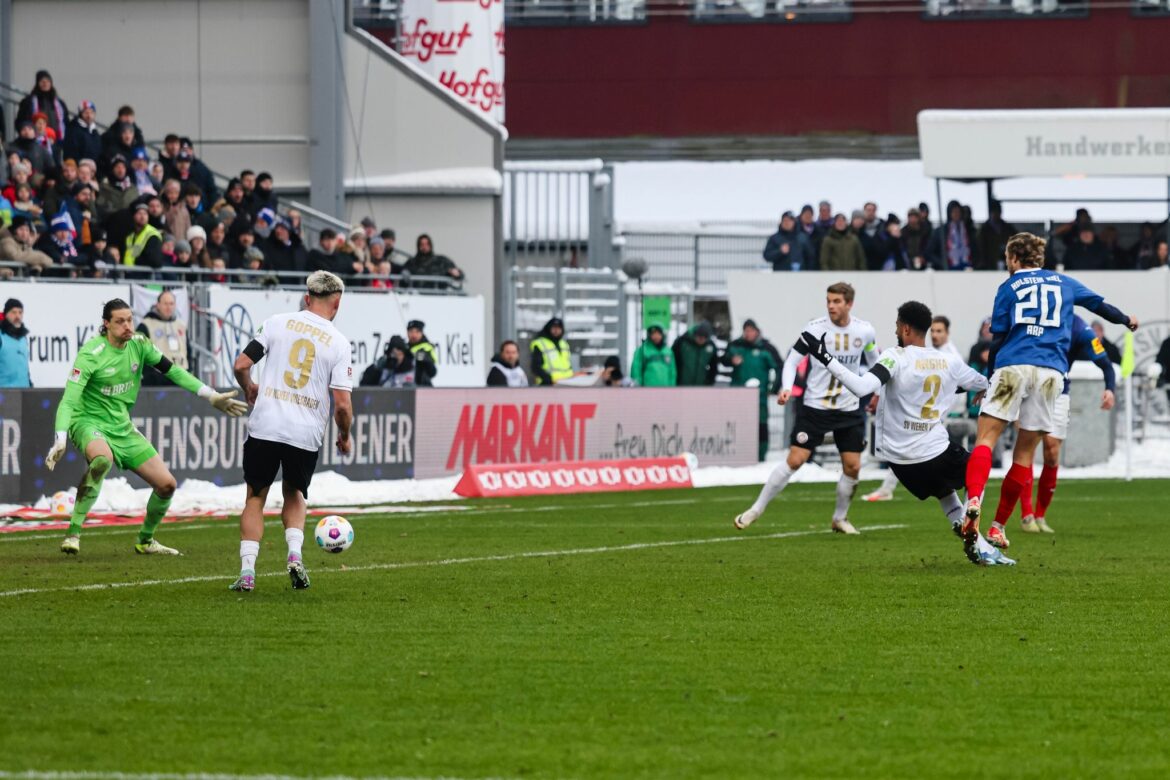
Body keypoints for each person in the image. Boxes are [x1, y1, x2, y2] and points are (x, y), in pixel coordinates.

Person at [799, 301, 1011, 566]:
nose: (895, 329)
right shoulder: (948, 361)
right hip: (935, 451)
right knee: (975, 467)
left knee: (945, 492)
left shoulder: (894, 356)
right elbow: (982, 383)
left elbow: (863, 387)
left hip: (900, 462)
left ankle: (977, 544)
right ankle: (974, 513)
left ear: (906, 328)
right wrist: (973, 389)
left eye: (897, 324)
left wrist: (824, 356)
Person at [962, 232, 1137, 549]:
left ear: (1015, 259)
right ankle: (998, 526)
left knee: (986, 437)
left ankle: (973, 500)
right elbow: (1099, 305)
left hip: (1013, 366)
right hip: (1051, 374)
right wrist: (1126, 320)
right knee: (1026, 452)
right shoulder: (1064, 283)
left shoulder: (1009, 286)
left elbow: (998, 338)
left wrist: (990, 378)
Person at [45, 298, 246, 555]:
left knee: (167, 485)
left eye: (130, 319)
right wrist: (60, 438)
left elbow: (173, 371)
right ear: (106, 324)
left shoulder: (139, 344)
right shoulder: (90, 355)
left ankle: (145, 540)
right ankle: (73, 533)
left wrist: (211, 395)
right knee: (102, 459)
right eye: (120, 321)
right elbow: (68, 401)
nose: (128, 326)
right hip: (87, 422)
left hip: (122, 426)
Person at [230, 271, 353, 592]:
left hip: (266, 424)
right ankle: (295, 556)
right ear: (337, 303)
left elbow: (242, 364)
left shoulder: (276, 322)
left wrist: (249, 388)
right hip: (305, 431)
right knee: (294, 493)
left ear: (307, 297)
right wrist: (345, 434)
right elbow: (342, 405)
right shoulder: (339, 343)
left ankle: (247, 572)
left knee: (255, 496)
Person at [734, 283, 877, 533]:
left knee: (853, 466)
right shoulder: (814, 329)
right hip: (815, 406)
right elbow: (792, 360)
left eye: (836, 301)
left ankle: (839, 518)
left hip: (849, 407)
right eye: (828, 301)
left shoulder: (864, 331)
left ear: (849, 304)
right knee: (795, 459)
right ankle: (756, 509)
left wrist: (876, 392)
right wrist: (786, 387)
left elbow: (875, 361)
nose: (831, 305)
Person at [1011, 315, 1116, 536]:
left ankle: (1041, 515)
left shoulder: (1078, 326)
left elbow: (1105, 362)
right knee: (1027, 448)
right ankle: (1026, 514)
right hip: (1029, 388)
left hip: (1059, 392)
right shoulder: (1030, 317)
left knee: (1052, 451)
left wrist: (1110, 388)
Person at [722, 319, 780, 462]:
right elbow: (723, 359)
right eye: (745, 331)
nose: (748, 334)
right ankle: (739, 452)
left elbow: (779, 366)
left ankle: (761, 455)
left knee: (761, 424)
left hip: (759, 396)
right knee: (739, 424)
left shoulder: (766, 348)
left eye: (751, 331)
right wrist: (731, 360)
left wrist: (774, 388)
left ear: (757, 331)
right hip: (738, 395)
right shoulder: (735, 345)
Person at [135, 290, 188, 386]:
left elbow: (188, 351)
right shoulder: (146, 325)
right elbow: (138, 353)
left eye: (171, 304)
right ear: (158, 305)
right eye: (165, 304)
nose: (169, 307)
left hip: (180, 378)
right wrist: (149, 376)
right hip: (156, 380)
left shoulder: (181, 326)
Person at [927, 200, 974, 270]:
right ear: (949, 213)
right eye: (954, 212)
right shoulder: (941, 231)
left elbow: (975, 249)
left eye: (958, 211)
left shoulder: (968, 230)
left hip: (968, 267)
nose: (956, 214)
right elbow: (929, 252)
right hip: (949, 269)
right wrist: (942, 263)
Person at [672, 321, 719, 386]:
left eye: (704, 338)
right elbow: (673, 362)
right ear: (695, 334)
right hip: (682, 384)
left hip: (701, 385)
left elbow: (714, 365)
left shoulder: (710, 346)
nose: (701, 340)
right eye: (699, 337)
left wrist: (710, 381)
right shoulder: (682, 342)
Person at [975, 200, 1016, 271]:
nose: (996, 214)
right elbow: (980, 249)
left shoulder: (1008, 228)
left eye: (998, 211)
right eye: (994, 211)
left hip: (1006, 264)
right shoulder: (984, 229)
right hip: (989, 265)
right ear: (990, 213)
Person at [0, 298, 32, 388]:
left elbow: (24, 367)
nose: (17, 316)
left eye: (20, 312)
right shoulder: (1, 336)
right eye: (13, 312)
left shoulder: (23, 338)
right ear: (6, 314)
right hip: (4, 395)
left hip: (24, 393)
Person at [531, 317, 572, 385]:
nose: (556, 330)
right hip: (547, 384)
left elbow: (567, 365)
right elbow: (535, 367)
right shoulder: (540, 343)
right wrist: (549, 379)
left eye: (558, 328)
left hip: (566, 383)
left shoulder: (564, 344)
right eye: (554, 328)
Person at [124, 202, 163, 268]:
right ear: (133, 216)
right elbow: (131, 255)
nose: (142, 217)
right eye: (139, 213)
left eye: (145, 214)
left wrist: (137, 262)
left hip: (144, 275)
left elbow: (156, 261)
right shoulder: (130, 236)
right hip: (129, 274)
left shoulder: (152, 234)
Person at [406, 320, 438, 387]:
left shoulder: (427, 347)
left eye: (417, 332)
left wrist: (421, 357)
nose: (414, 335)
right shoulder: (405, 347)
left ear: (421, 333)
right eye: (411, 331)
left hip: (423, 386)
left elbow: (432, 371)